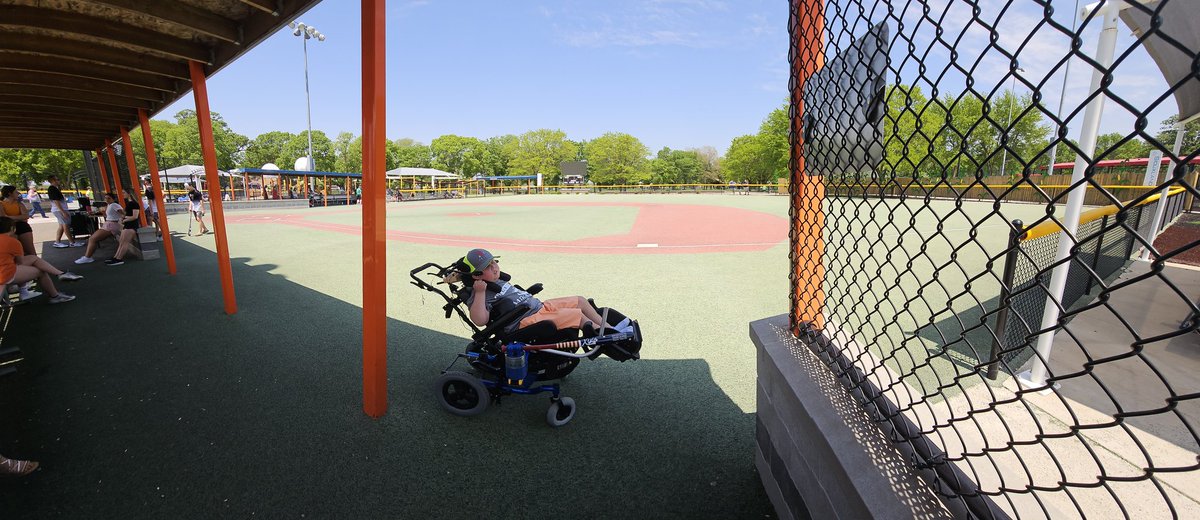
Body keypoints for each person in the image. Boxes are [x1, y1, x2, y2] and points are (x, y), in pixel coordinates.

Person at [458, 248, 632, 335]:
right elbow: (480, 321)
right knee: (577, 316)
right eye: (488, 267)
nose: (495, 268)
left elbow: (461, 273)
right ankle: (612, 336)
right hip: (526, 320)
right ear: (477, 275)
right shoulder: (479, 293)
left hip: (539, 307)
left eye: (494, 262)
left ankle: (608, 328)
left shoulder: (498, 279)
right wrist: (480, 292)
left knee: (579, 300)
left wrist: (456, 275)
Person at [0, 217, 80, 304]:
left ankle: (60, 274)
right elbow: (20, 262)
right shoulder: (12, 241)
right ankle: (55, 296)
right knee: (41, 271)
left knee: (32, 258)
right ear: (12, 228)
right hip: (4, 274)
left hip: (4, 268)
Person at [74, 193, 122, 264]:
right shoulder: (109, 205)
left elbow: (123, 213)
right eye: (106, 198)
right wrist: (103, 212)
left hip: (112, 224)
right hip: (109, 223)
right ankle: (87, 256)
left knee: (93, 238)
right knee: (93, 239)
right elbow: (110, 215)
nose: (107, 200)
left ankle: (87, 257)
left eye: (109, 198)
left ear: (113, 199)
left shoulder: (115, 205)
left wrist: (123, 220)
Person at [105, 189, 140, 266]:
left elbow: (135, 216)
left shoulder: (134, 204)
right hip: (127, 225)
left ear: (129, 193)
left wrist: (124, 219)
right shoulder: (129, 203)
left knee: (125, 242)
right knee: (121, 242)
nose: (122, 194)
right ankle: (115, 257)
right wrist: (123, 218)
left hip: (131, 226)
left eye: (124, 192)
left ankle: (119, 258)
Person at [46, 175, 81, 248]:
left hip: (58, 210)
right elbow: (56, 201)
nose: (59, 181)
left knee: (61, 226)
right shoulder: (53, 189)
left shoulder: (54, 188)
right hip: (60, 210)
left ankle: (57, 241)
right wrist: (63, 211)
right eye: (57, 179)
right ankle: (72, 242)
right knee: (66, 225)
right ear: (53, 180)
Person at [1, 186, 36, 256]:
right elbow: (3, 218)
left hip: (22, 226)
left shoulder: (19, 203)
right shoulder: (1, 204)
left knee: (31, 251)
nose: (18, 193)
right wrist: (19, 217)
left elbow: (26, 216)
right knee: (16, 253)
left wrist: (9, 217)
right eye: (16, 192)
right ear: (10, 193)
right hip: (8, 228)